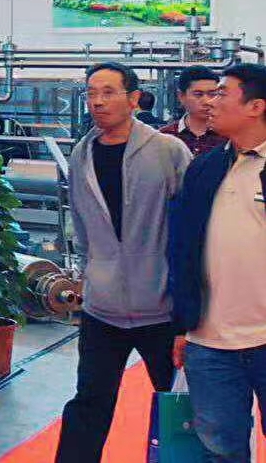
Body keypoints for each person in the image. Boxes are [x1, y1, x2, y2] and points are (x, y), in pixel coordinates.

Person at [55, 62, 192, 462]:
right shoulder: (82, 154)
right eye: (91, 93)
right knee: (89, 403)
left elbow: (191, 230)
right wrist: (86, 276)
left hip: (161, 308)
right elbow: (81, 224)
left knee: (181, 405)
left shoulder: (168, 151)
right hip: (102, 309)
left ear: (134, 99)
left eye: (108, 92)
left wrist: (188, 310)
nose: (97, 101)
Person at [168, 63, 266, 462]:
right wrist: (182, 325)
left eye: (222, 93)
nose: (211, 101)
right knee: (221, 450)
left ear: (256, 106)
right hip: (210, 341)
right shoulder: (205, 168)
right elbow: (181, 248)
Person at [161, 65, 226, 158]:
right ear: (181, 96)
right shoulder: (165, 136)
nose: (207, 101)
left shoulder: (228, 136)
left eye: (212, 94)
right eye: (198, 95)